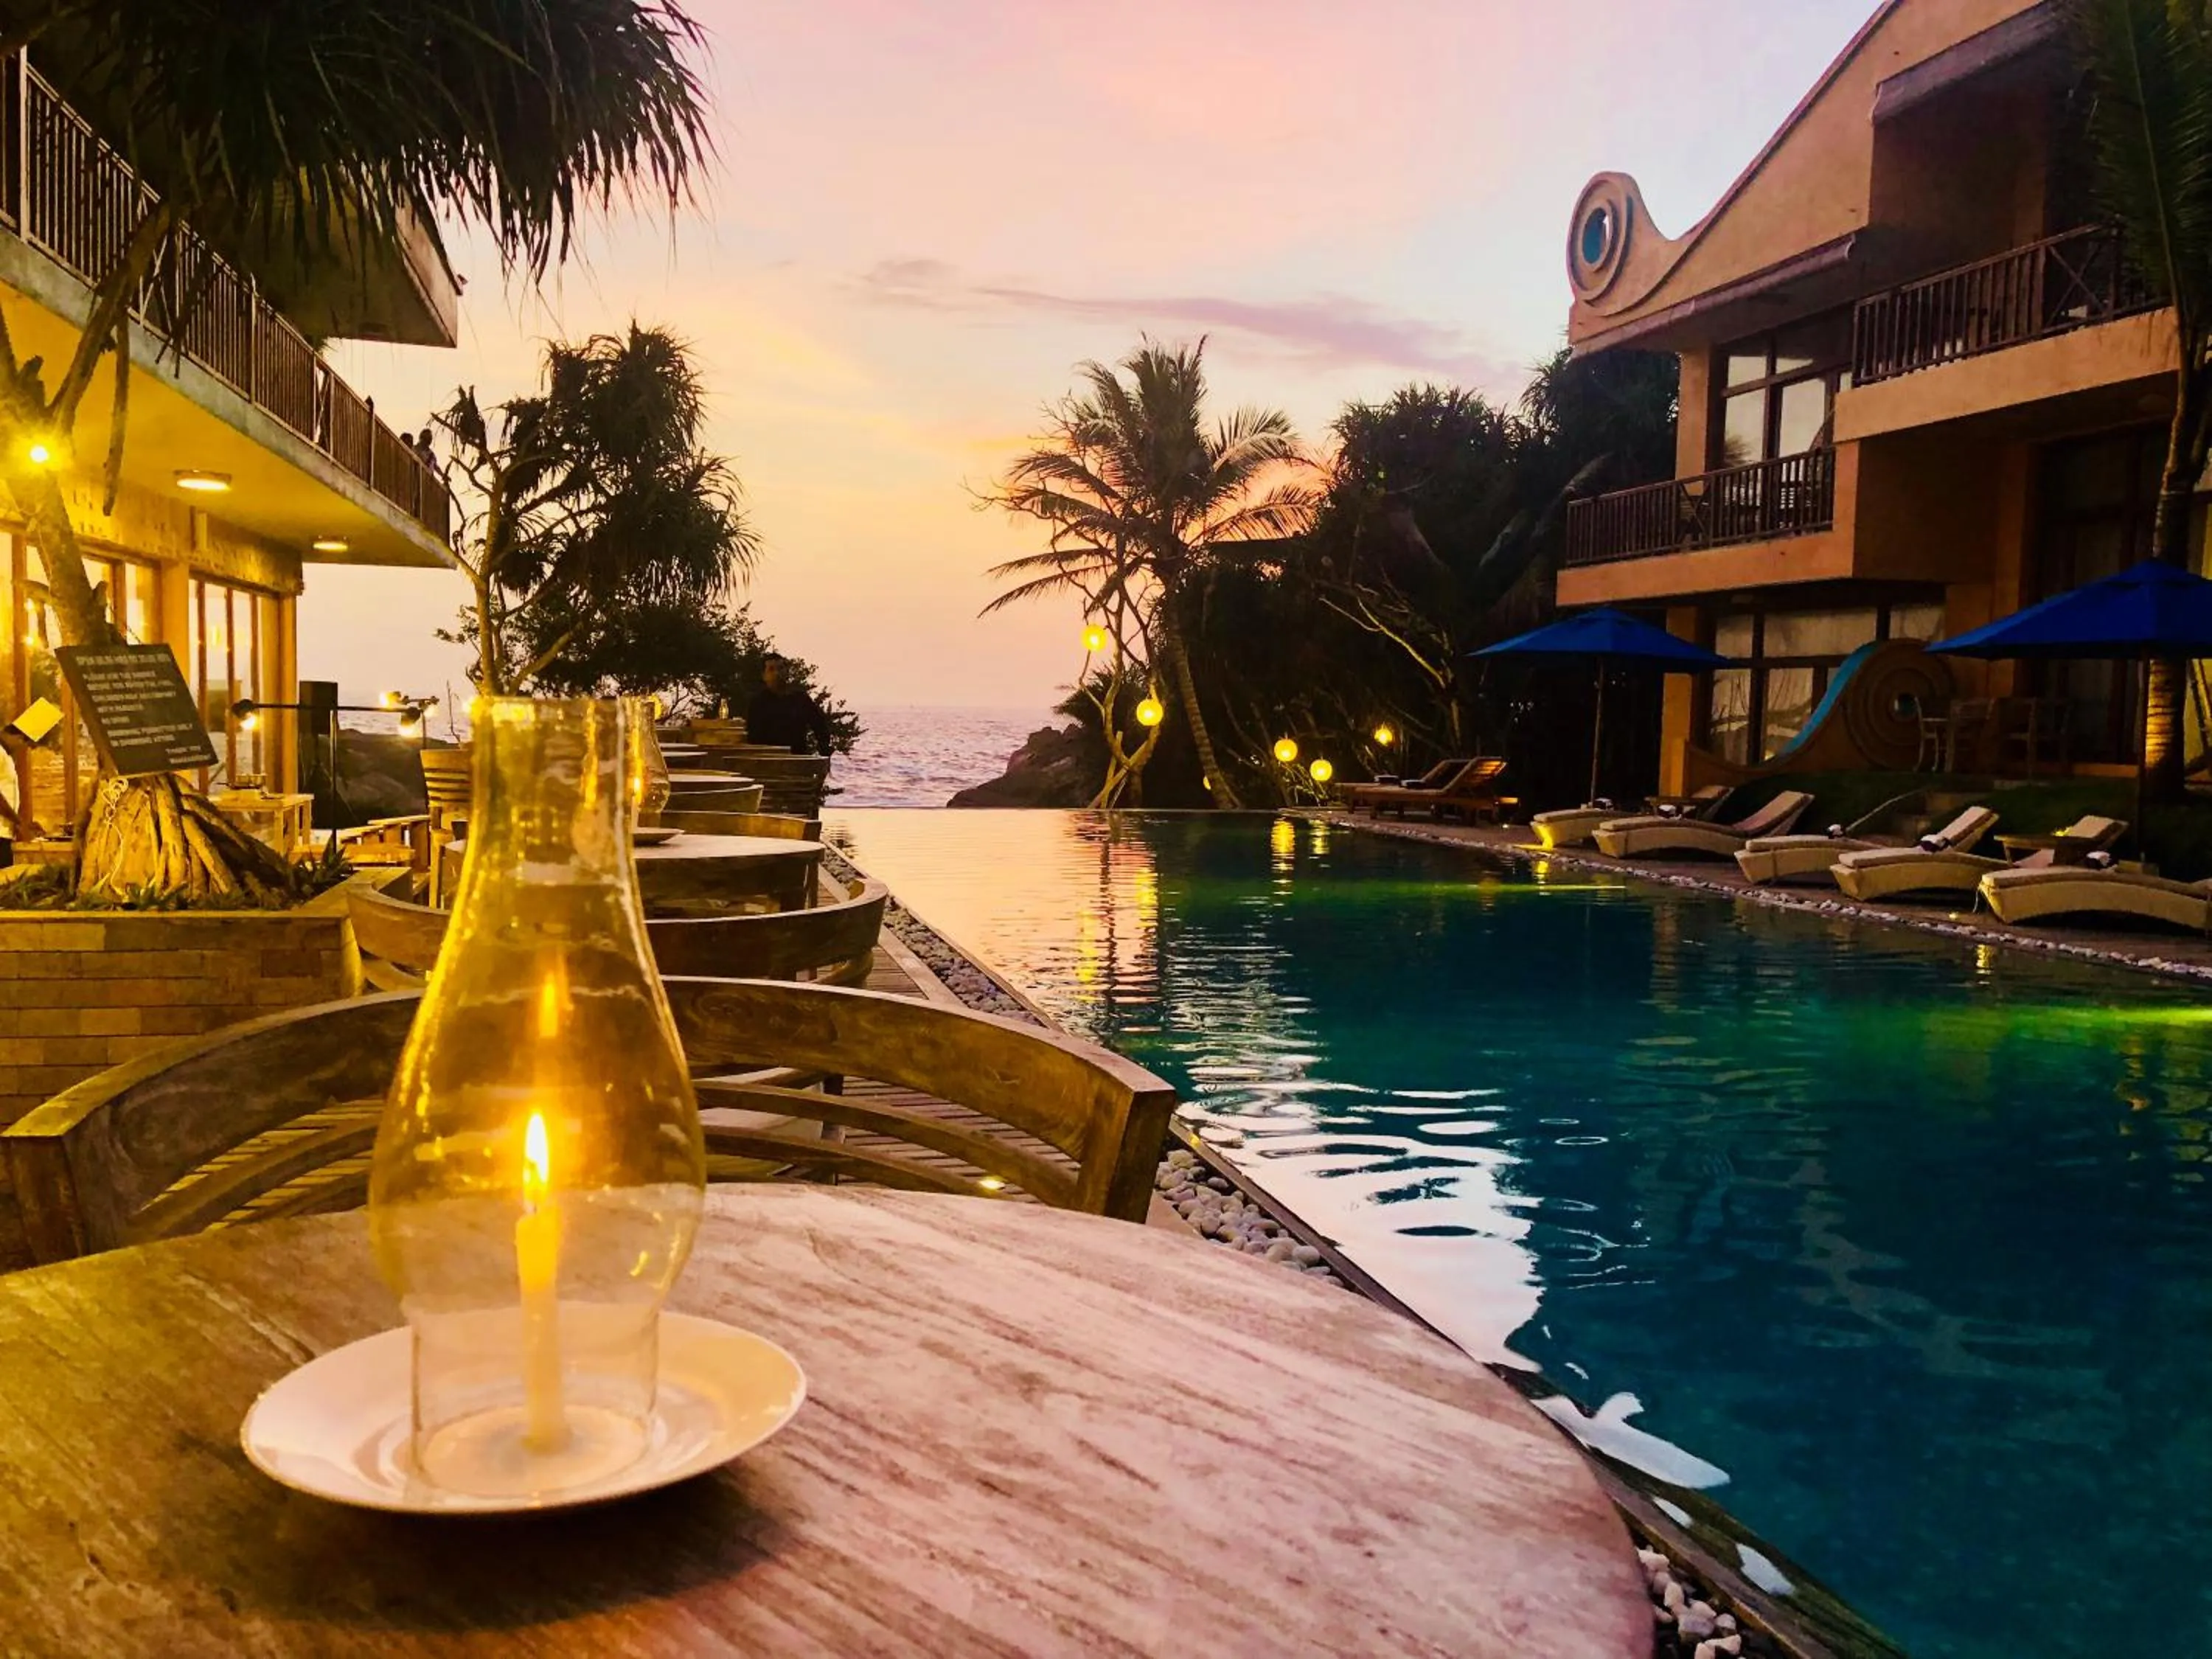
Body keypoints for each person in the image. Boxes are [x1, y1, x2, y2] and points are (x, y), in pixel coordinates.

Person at [745, 655, 833, 754]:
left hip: (796, 759)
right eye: (771, 669)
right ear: (764, 675)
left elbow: (820, 725)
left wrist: (823, 748)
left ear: (787, 672)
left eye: (781, 668)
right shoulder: (758, 702)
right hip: (767, 759)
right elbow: (752, 737)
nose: (777, 673)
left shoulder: (800, 699)